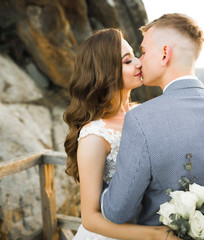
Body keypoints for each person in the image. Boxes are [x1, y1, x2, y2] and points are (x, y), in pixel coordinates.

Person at [101, 13, 204, 240]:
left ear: (164, 54)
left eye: (144, 51)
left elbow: (117, 212)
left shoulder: (141, 119)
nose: (140, 60)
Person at [64, 28, 180, 240]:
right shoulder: (95, 135)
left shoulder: (141, 112)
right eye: (127, 61)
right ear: (106, 72)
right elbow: (90, 219)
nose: (138, 63)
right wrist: (156, 235)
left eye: (136, 56)